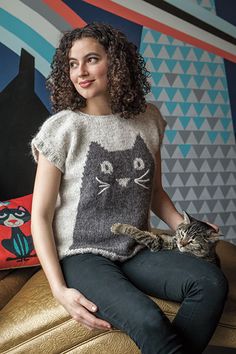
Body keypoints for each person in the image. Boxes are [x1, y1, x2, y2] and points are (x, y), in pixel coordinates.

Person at [31, 22, 228, 354]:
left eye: (91, 59)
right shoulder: (62, 129)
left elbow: (155, 194)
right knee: (149, 320)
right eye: (72, 63)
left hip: (136, 248)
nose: (80, 72)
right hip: (83, 256)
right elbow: (40, 215)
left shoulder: (148, 119)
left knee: (210, 283)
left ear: (116, 62)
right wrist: (58, 289)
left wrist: (187, 226)